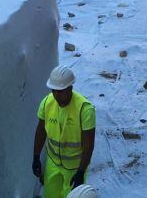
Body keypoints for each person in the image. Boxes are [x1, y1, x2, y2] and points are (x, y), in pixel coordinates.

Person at [33, 65, 96, 198]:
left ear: (70, 88)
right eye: (54, 90)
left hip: (75, 167)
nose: (56, 95)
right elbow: (40, 131)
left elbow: (89, 145)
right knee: (50, 195)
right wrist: (36, 157)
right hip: (53, 163)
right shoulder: (46, 103)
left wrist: (80, 172)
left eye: (61, 91)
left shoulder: (85, 110)